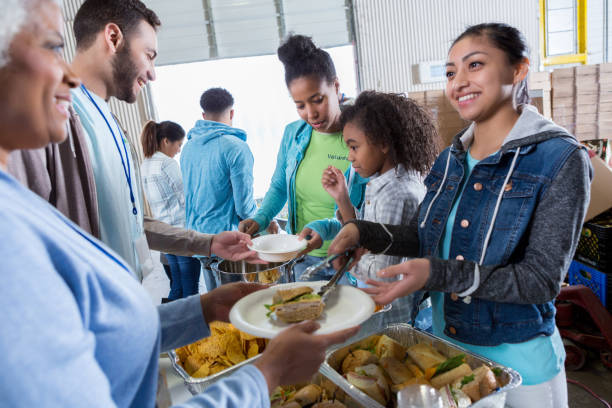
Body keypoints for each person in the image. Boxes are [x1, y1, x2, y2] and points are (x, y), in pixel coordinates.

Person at [0, 1, 359, 406]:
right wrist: (267, 374)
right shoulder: (55, 135)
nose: (152, 72)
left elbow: (134, 223)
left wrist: (204, 276)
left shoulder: (112, 125)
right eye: (49, 47)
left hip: (127, 337)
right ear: (113, 38)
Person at [329, 23, 592, 407]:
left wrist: (436, 273)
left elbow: (541, 281)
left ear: (518, 70)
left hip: (520, 360)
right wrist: (361, 231)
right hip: (446, 349)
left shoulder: (559, 158)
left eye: (475, 65)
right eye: (451, 72)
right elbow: (427, 237)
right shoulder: (451, 158)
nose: (459, 82)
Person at [239, 34, 367, 281]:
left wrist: (326, 228)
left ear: (336, 87)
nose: (311, 113)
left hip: (346, 257)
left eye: (317, 100)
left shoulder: (361, 138)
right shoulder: (293, 135)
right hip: (298, 254)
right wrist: (260, 218)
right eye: (300, 105)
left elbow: (365, 211)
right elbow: (278, 187)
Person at [304, 91, 439, 325]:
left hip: (391, 315)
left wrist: (348, 263)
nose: (350, 157)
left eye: (355, 147)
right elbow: (369, 237)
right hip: (379, 305)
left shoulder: (396, 193)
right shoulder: (384, 181)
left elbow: (381, 271)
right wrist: (342, 199)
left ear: (384, 143)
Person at [181, 88, 259, 291]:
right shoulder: (235, 147)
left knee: (216, 306)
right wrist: (265, 222)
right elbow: (245, 207)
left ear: (204, 116)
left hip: (199, 240)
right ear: (232, 113)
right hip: (228, 242)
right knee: (239, 308)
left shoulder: (188, 148)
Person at [141, 120, 201, 300]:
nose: (179, 150)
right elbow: (185, 199)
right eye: (179, 144)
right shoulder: (167, 163)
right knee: (190, 290)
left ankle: (171, 325)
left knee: (177, 286)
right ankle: (191, 327)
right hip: (181, 232)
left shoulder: (146, 164)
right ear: (166, 141)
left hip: (165, 235)